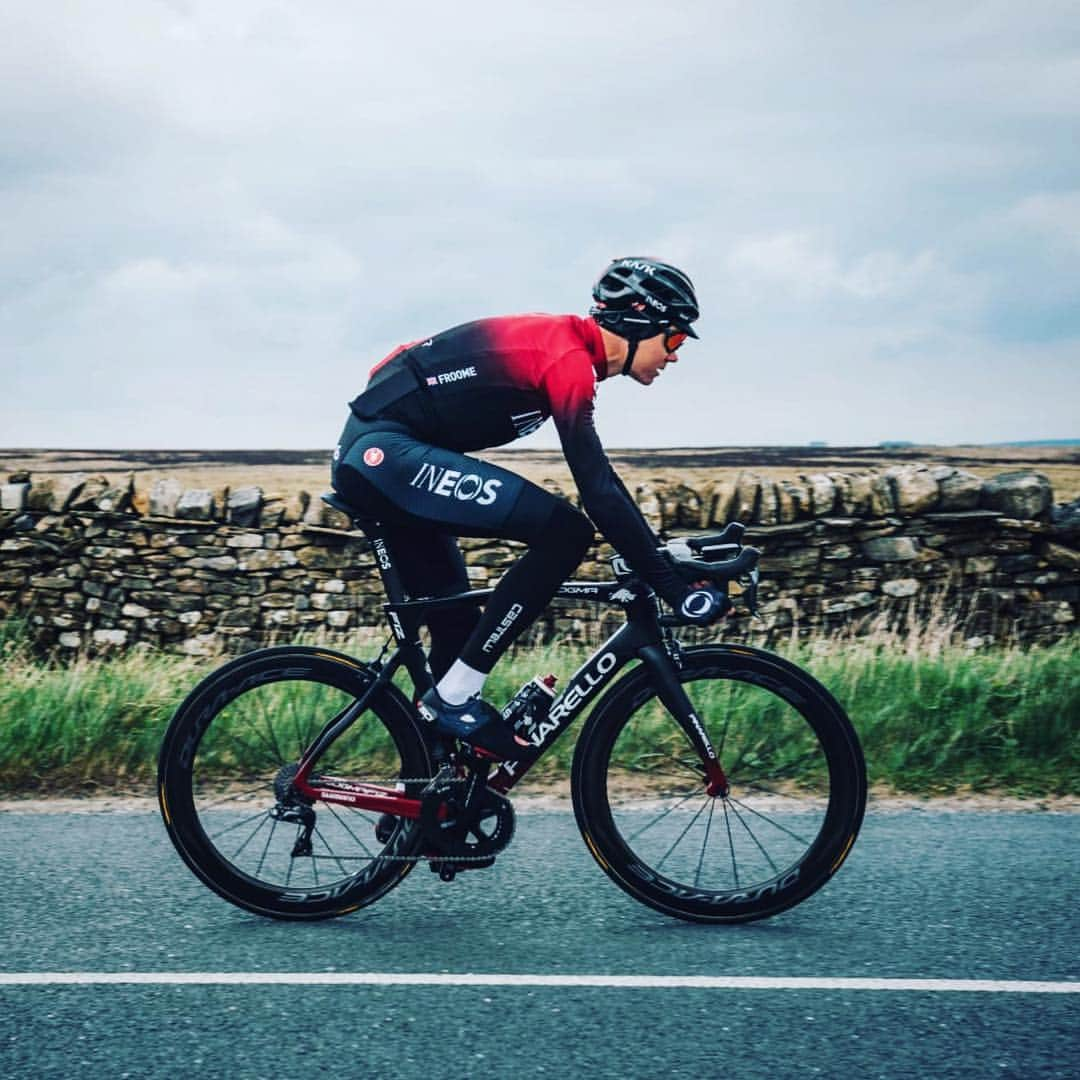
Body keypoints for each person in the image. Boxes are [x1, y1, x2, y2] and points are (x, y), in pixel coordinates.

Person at [331, 256, 726, 762]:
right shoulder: (567, 360)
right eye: (672, 339)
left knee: (456, 625)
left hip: (385, 456)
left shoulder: (565, 349)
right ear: (637, 321)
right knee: (564, 533)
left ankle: (430, 802)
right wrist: (671, 588)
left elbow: (606, 485)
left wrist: (659, 561)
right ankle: (453, 699)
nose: (674, 356)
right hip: (383, 456)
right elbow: (598, 490)